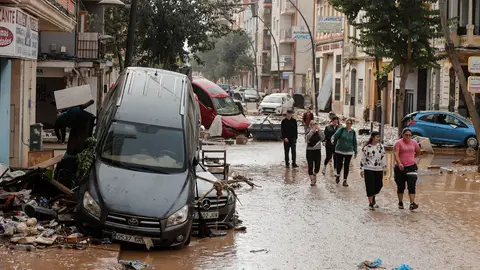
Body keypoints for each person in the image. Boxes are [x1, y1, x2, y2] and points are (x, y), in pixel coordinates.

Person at [393, 128, 421, 210]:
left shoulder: (414, 142)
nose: (408, 137)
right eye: (406, 135)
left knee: (412, 185)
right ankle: (400, 202)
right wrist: (399, 163)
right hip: (400, 168)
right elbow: (395, 154)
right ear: (402, 135)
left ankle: (412, 203)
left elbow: (418, 151)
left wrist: (413, 157)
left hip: (411, 167)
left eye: (410, 135)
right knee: (401, 187)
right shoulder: (398, 143)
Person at [360, 131, 387, 210]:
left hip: (379, 169)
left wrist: (384, 168)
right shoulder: (366, 147)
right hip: (368, 168)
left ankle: (373, 196)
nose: (378, 138)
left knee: (379, 185)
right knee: (369, 186)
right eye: (377, 137)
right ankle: (370, 203)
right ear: (372, 137)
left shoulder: (381, 146)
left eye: (379, 137)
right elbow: (362, 159)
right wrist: (361, 169)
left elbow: (383, 157)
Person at [331, 118, 357, 187]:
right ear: (346, 123)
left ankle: (345, 180)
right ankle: (338, 175)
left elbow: (354, 141)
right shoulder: (342, 129)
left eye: (350, 123)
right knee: (339, 164)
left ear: (351, 124)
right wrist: (332, 140)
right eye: (347, 123)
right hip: (339, 150)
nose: (348, 124)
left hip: (349, 151)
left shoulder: (353, 132)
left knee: (347, 165)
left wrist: (355, 151)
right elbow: (334, 135)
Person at [306, 120, 325, 186]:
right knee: (310, 165)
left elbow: (323, 138)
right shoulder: (308, 131)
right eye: (313, 124)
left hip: (317, 150)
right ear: (311, 125)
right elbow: (307, 138)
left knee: (317, 165)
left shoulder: (318, 132)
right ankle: (312, 180)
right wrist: (312, 131)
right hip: (310, 151)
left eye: (316, 124)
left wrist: (319, 130)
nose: (315, 125)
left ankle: (314, 174)